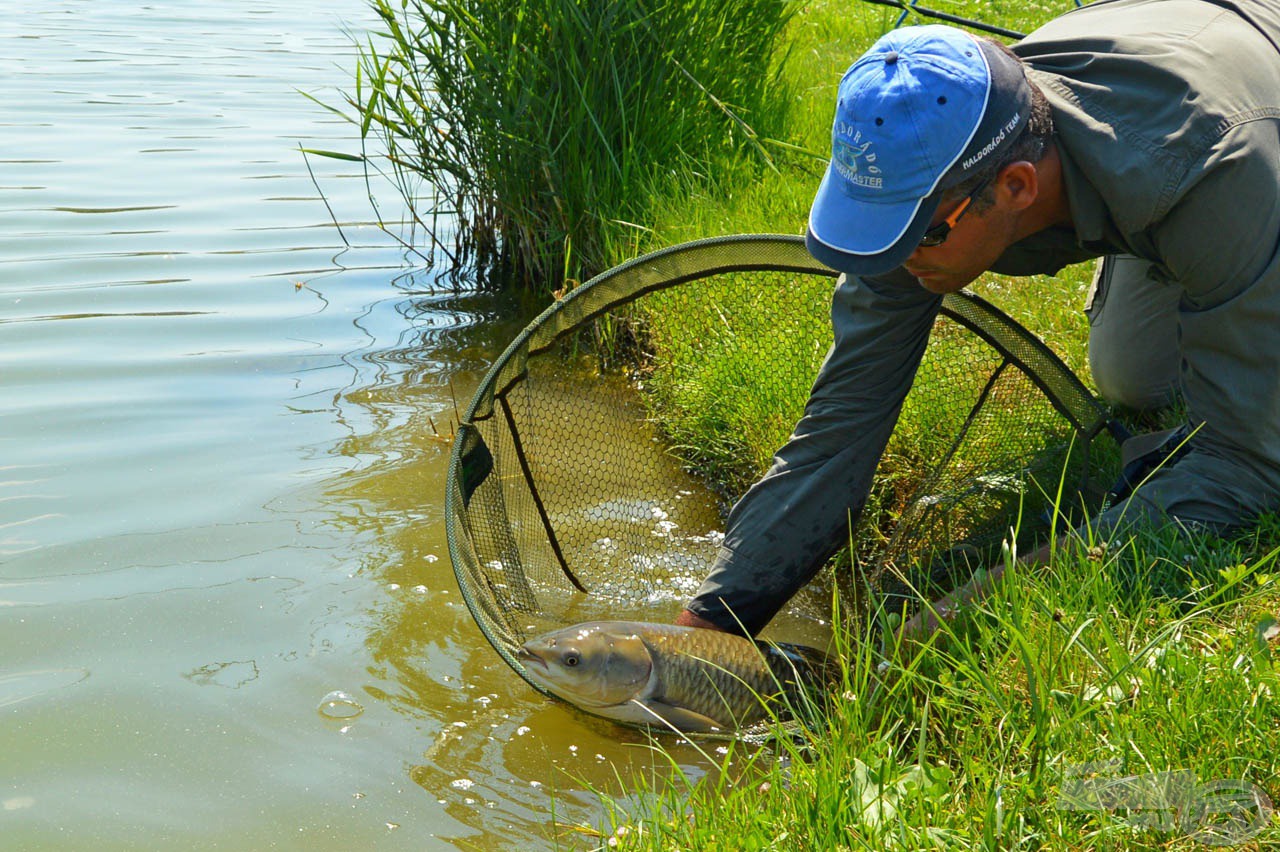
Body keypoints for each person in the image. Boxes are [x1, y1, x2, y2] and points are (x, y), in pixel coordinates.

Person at [677, 0, 1280, 640]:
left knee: (1236, 419)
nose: (893, 263)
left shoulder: (1220, 173)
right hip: (1171, 97)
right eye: (881, 233)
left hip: (1244, 145)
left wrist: (969, 612)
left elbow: (1249, 469)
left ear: (1018, 188)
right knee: (1135, 378)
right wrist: (703, 632)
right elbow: (842, 424)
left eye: (920, 236)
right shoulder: (954, 149)